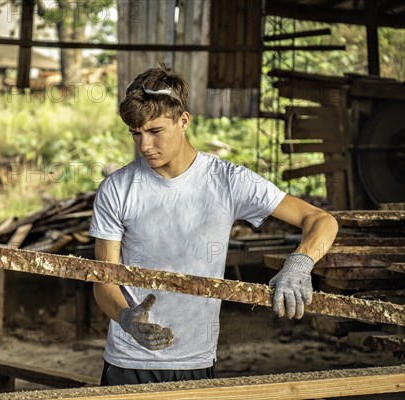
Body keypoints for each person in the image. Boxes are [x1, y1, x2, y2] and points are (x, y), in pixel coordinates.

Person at [88, 64, 338, 386]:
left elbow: (320, 220)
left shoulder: (227, 181)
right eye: (136, 134)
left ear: (183, 121)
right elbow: (103, 281)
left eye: (154, 132)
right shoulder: (117, 189)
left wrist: (300, 262)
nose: (144, 145)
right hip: (127, 360)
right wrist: (127, 319)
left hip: (196, 359)